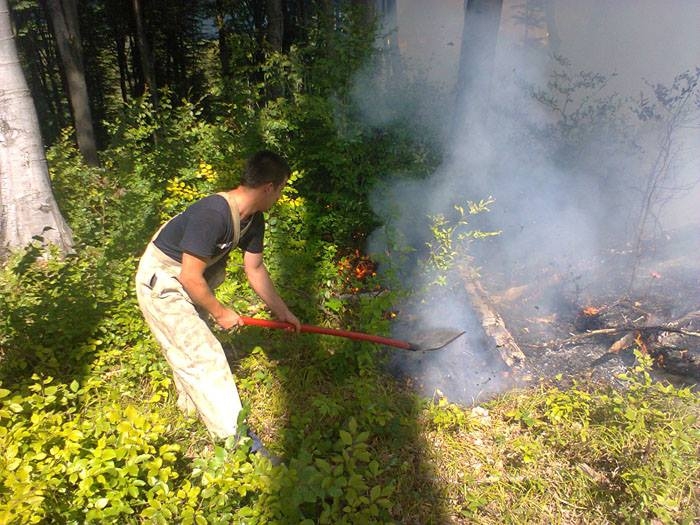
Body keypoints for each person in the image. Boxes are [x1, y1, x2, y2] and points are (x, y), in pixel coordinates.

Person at [135, 150, 300, 442]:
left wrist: (282, 311)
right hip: (162, 280)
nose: (279, 198)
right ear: (269, 187)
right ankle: (234, 440)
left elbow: (255, 268)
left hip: (190, 280)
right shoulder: (213, 213)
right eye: (281, 189)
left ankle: (189, 413)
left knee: (189, 348)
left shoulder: (253, 220)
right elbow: (188, 276)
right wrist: (221, 312)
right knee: (204, 354)